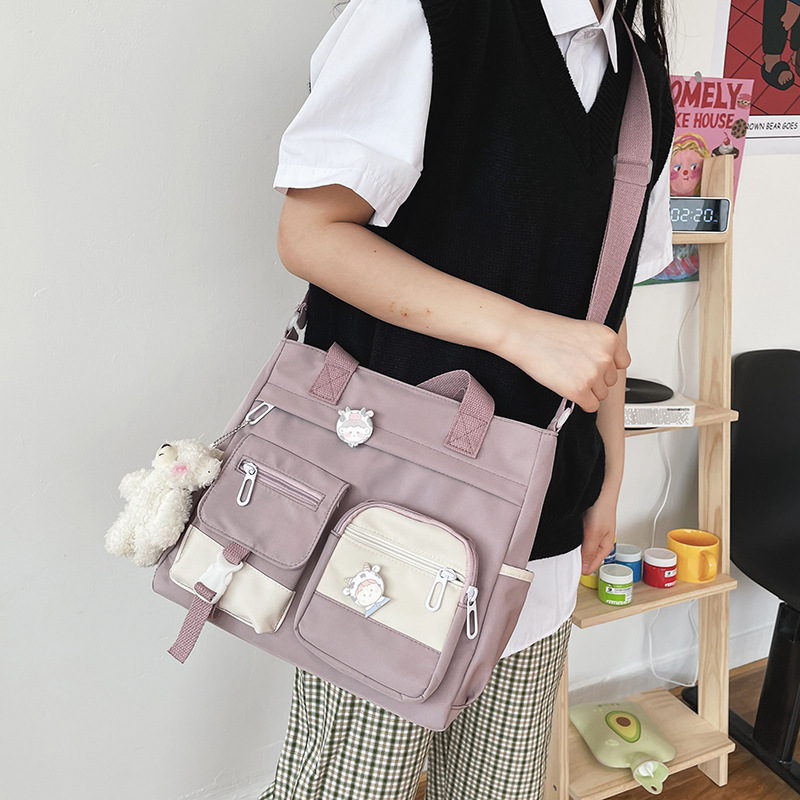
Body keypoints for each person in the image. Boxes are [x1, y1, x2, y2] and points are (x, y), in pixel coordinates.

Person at [261, 1, 675, 798]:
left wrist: (608, 477)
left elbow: (607, 308)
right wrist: (519, 331)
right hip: (388, 521)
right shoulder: (428, 14)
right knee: (352, 784)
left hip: (544, 526)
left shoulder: (641, 83)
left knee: (502, 788)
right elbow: (310, 233)